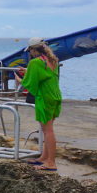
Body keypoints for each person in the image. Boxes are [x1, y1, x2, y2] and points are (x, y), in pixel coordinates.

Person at [18, 39, 62, 171]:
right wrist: (28, 72)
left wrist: (19, 79)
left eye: (30, 50)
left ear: (33, 50)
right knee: (47, 129)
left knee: (48, 130)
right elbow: (44, 75)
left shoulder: (35, 62)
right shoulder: (53, 60)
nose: (30, 53)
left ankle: (51, 163)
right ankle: (44, 158)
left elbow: (30, 83)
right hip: (55, 95)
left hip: (45, 97)